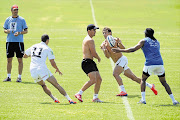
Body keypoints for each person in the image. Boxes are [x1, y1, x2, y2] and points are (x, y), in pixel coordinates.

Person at [112, 28, 179, 105]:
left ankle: (143, 100)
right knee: (164, 82)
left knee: (143, 80)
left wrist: (119, 50)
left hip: (150, 64)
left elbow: (133, 49)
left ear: (146, 34)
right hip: (160, 64)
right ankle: (174, 100)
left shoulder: (143, 41)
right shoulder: (157, 42)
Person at [100, 27, 157, 96]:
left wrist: (119, 43)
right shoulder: (103, 44)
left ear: (110, 33)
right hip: (118, 62)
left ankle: (123, 91)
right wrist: (104, 50)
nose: (104, 34)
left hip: (122, 59)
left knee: (115, 74)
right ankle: (151, 86)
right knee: (134, 78)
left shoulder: (115, 40)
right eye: (103, 33)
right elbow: (108, 56)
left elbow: (123, 48)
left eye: (105, 32)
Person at [23, 34, 76, 104]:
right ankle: (70, 100)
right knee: (56, 85)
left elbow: (24, 56)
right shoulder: (47, 48)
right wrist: (57, 69)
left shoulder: (34, 46)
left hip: (33, 70)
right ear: (47, 41)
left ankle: (54, 99)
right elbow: (52, 62)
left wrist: (32, 56)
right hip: (41, 69)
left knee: (43, 85)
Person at [75, 24, 103, 103]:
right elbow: (93, 53)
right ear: (89, 31)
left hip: (90, 62)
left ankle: (95, 98)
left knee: (99, 79)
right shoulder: (90, 40)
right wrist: (98, 57)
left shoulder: (87, 39)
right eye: (94, 30)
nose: (95, 32)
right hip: (87, 62)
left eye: (95, 30)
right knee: (93, 80)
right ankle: (79, 93)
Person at [3, 5, 28, 82]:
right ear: (11, 10)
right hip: (9, 42)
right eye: (14, 10)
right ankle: (8, 77)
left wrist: (19, 33)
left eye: (17, 10)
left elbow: (26, 31)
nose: (16, 11)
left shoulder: (22, 19)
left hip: (19, 42)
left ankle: (19, 77)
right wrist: (7, 31)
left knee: (20, 59)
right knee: (9, 59)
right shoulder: (8, 19)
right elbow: (4, 29)